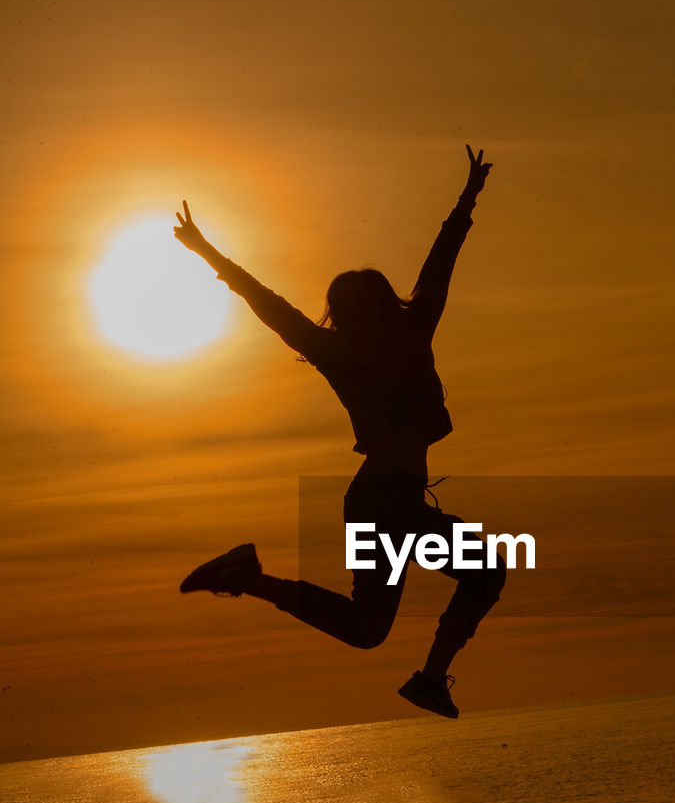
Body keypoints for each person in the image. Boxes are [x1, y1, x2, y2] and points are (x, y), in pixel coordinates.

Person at [175, 146, 505, 718]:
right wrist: (207, 252)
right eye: (346, 308)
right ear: (341, 315)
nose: (359, 314)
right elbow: (269, 304)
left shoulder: (414, 327)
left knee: (366, 629)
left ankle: (245, 577)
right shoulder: (336, 353)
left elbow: (440, 264)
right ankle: (429, 678)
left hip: (385, 497)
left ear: (384, 301)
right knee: (485, 569)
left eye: (367, 303)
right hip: (381, 500)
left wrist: (467, 197)